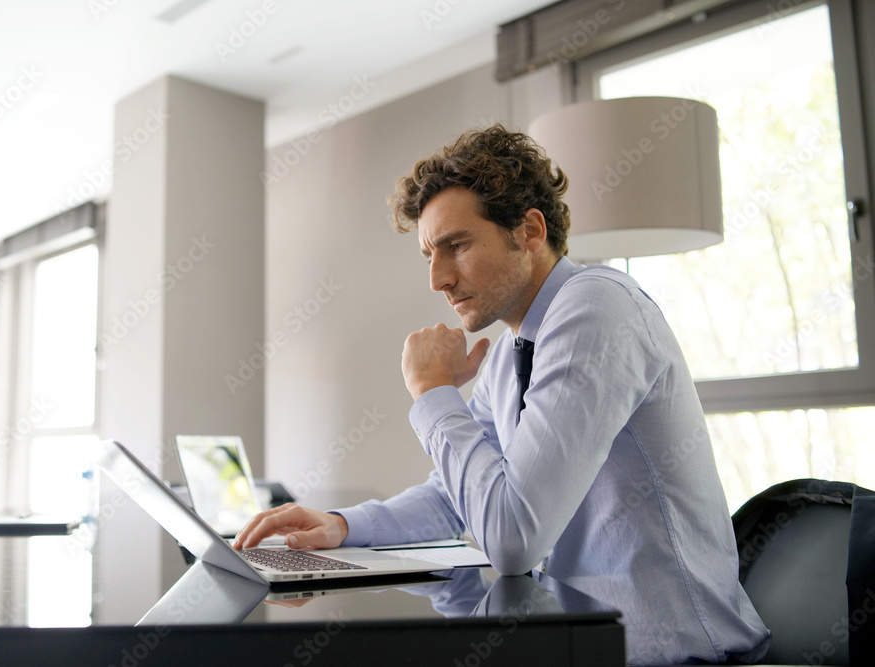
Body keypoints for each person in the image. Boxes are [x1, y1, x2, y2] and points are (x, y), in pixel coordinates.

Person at [235, 124, 771, 664]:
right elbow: (453, 496)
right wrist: (343, 525)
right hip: (581, 647)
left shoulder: (596, 308)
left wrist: (433, 391)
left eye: (456, 246)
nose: (437, 279)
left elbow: (512, 540)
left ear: (530, 231)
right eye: (428, 255)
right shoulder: (516, 347)